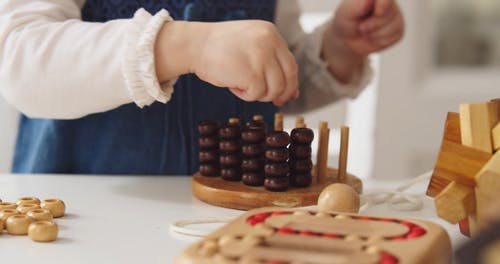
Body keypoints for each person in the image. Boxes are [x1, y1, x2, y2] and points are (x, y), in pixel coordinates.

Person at [0, 0, 404, 175]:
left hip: (234, 227)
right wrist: (188, 46)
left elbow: (267, 77)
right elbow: (21, 58)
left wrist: (338, 47)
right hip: (86, 225)